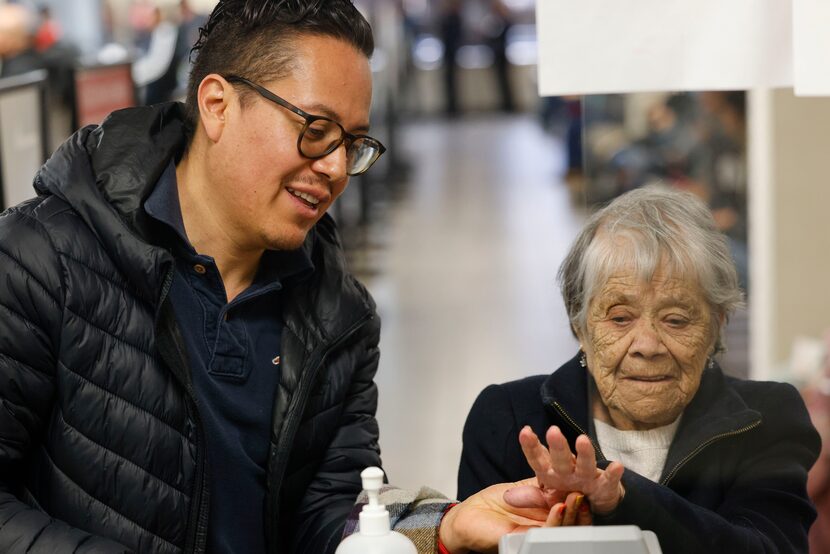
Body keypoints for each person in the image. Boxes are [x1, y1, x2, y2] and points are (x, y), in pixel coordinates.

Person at [0, 1, 553, 553]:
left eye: (353, 143)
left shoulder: (337, 311)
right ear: (217, 105)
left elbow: (327, 513)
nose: (336, 169)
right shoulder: (41, 261)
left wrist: (439, 527)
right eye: (315, 129)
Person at [458, 186, 821, 553]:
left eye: (676, 320)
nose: (647, 345)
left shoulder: (766, 419)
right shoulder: (509, 419)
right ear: (579, 325)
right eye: (620, 318)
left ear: (716, 326)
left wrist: (624, 499)